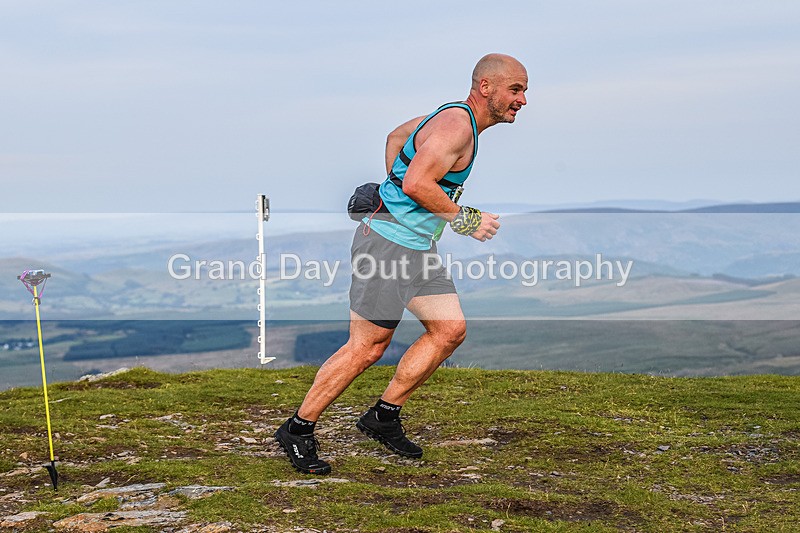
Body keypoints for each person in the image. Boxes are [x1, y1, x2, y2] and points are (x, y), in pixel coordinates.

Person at [275, 53, 528, 474]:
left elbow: (396, 136)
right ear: (486, 87)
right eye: (515, 89)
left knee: (448, 330)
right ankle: (298, 429)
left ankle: (383, 417)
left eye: (523, 91)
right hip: (387, 247)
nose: (522, 100)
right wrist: (466, 219)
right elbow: (416, 182)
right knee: (367, 347)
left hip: (414, 248)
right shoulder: (456, 126)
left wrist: (395, 198)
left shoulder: (451, 116)